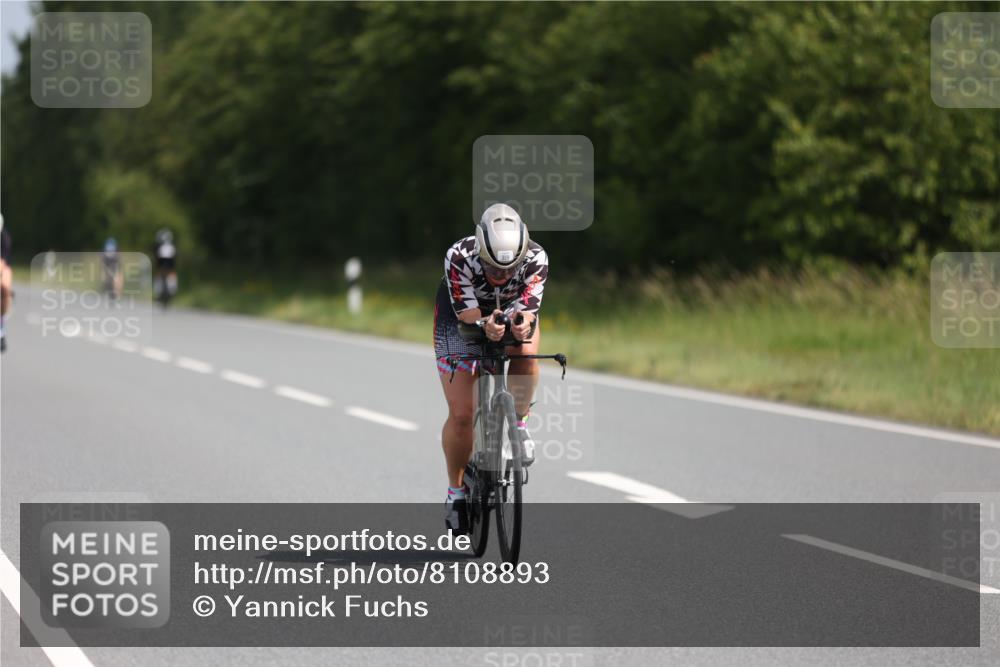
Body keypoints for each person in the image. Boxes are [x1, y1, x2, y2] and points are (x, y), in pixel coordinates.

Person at [434, 203, 549, 532]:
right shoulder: (459, 256)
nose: (500, 276)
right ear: (479, 251)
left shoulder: (537, 257)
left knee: (525, 350)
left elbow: (528, 312)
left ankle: (520, 423)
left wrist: (521, 326)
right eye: (491, 267)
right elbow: (468, 316)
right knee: (462, 415)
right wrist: (485, 325)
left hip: (510, 310)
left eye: (509, 269)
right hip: (460, 319)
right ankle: (456, 493)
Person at [153, 229, 177, 304]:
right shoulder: (172, 245)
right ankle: (172, 289)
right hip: (169, 266)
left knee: (159, 275)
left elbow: (156, 257)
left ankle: (159, 292)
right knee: (171, 274)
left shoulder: (158, 246)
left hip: (162, 266)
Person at [0, 214, 12, 353]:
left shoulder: (5, 238)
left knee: (4, 286)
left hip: (3, 267)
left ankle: (2, 325)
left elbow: (2, 262)